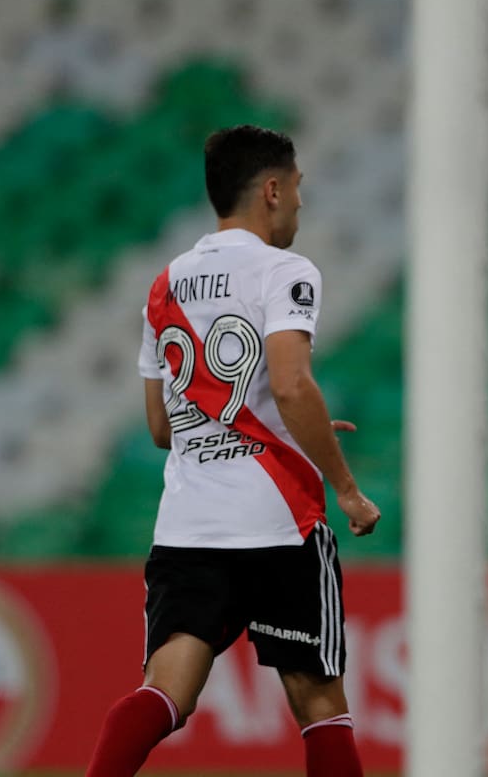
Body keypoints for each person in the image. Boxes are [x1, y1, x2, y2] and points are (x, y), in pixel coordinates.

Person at [86, 125, 381, 777]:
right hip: (278, 524)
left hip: (189, 528)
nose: (300, 202)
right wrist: (347, 490)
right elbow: (291, 384)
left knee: (164, 692)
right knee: (320, 705)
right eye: (297, 187)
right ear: (271, 190)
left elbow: (162, 426)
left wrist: (284, 424)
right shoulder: (285, 271)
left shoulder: (164, 285)